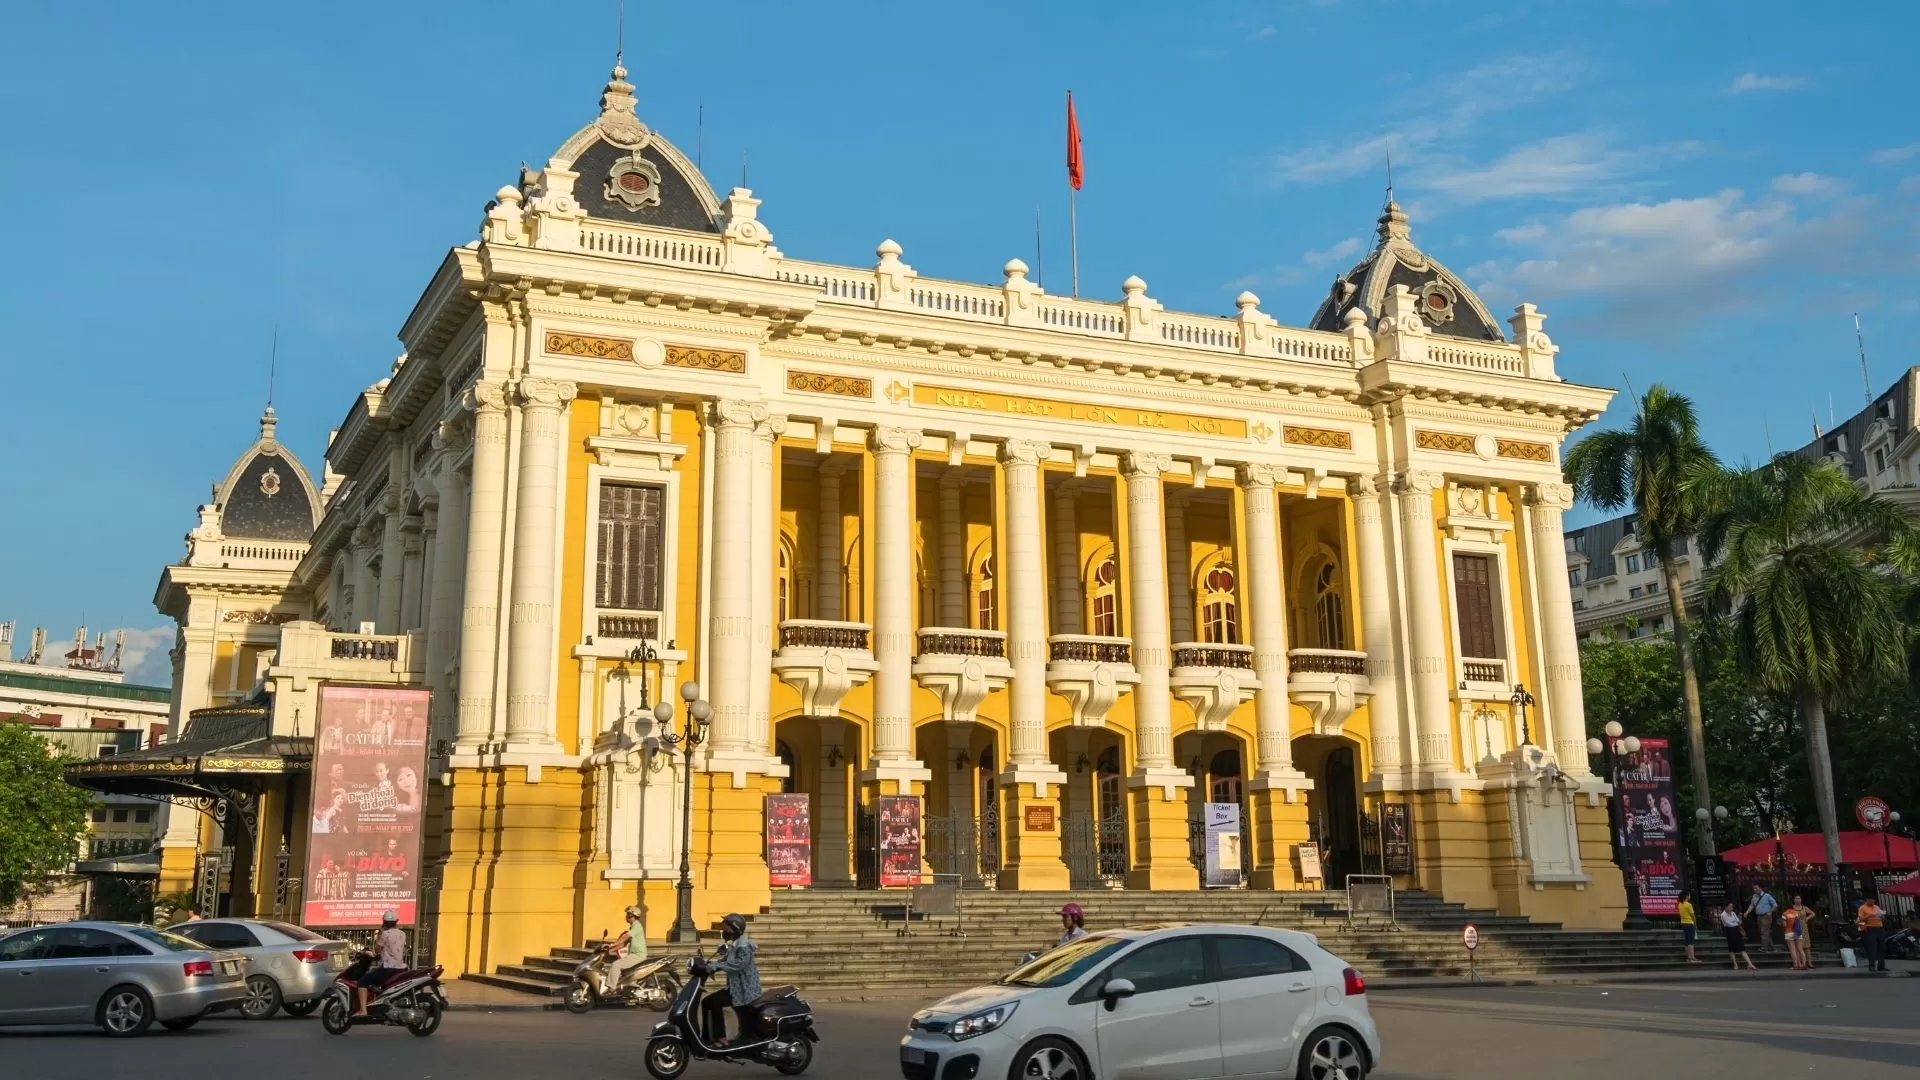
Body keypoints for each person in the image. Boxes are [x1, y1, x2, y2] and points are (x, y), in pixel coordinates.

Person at [702, 913, 761, 1047]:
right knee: (708, 1002)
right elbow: (726, 960)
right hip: (736, 988)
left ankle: (720, 1038)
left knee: (711, 1002)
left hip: (744, 990)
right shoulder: (735, 945)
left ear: (734, 929)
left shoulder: (743, 947)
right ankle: (709, 1037)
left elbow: (738, 965)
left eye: (726, 926)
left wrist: (716, 966)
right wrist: (710, 965)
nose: (723, 929)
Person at [354, 911, 409, 1017]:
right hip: (401, 968)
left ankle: (363, 1011)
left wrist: (367, 952)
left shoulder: (385, 934)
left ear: (384, 922)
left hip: (388, 968)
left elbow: (377, 950)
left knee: (362, 982)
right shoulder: (403, 934)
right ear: (396, 921)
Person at [603, 904, 651, 995]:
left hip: (638, 956)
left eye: (627, 915)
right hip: (634, 955)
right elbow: (622, 944)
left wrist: (611, 944)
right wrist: (609, 951)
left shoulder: (637, 926)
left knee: (616, 965)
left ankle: (611, 989)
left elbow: (624, 938)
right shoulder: (633, 927)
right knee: (620, 966)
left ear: (631, 916)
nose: (626, 917)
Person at [1719, 903, 1758, 971]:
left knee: (1742, 948)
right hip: (1730, 931)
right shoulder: (1723, 915)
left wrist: (1738, 919)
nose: (1731, 908)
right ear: (1726, 907)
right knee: (1732, 949)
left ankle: (1750, 964)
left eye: (1732, 907)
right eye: (1730, 907)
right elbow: (1729, 924)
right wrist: (1736, 922)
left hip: (1736, 930)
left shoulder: (1733, 913)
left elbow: (1739, 922)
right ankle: (1735, 964)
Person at [1857, 895, 1888, 973]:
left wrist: (1882, 916)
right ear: (1867, 900)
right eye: (1871, 900)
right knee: (1872, 948)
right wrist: (1868, 916)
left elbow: (1882, 918)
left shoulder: (1876, 907)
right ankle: (1871, 966)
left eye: (1874, 900)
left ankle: (1881, 966)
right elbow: (1860, 919)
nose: (1873, 902)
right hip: (1870, 929)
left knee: (1882, 947)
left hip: (1879, 928)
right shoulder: (1862, 908)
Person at [1782, 894, 1811, 970]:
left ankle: (1796, 965)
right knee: (1800, 949)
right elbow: (1798, 922)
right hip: (1798, 932)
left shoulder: (1785, 914)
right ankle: (1803, 964)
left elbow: (1784, 925)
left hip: (1789, 932)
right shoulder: (1796, 913)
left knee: (1793, 950)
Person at [1746, 885, 1778, 952]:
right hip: (1759, 916)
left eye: (1756, 888)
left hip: (1766, 916)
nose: (1754, 889)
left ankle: (1764, 948)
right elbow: (1752, 905)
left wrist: (1770, 911)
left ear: (1760, 888)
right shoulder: (1754, 896)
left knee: (1764, 931)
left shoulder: (1767, 896)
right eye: (1754, 888)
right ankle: (1771, 947)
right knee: (1764, 932)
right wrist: (1747, 912)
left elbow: (1775, 905)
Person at [1676, 894, 1700, 963]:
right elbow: (1692, 915)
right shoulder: (1688, 905)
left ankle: (1689, 957)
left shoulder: (1680, 904)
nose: (1690, 896)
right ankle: (1693, 958)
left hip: (1683, 923)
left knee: (1686, 941)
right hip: (1690, 923)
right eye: (1689, 895)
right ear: (1686, 896)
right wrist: (1695, 924)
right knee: (1691, 941)